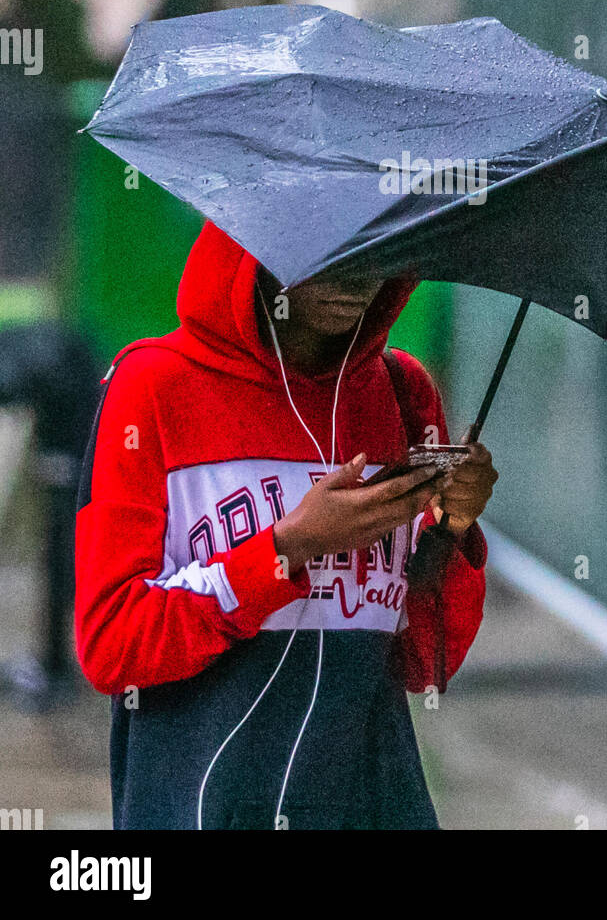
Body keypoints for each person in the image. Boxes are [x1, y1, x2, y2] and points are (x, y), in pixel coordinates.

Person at [74, 221, 497, 830]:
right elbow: (111, 643)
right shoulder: (154, 388)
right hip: (203, 806)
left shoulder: (402, 391)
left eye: (379, 245)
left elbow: (423, 664)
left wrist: (452, 530)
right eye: (328, 241)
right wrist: (288, 549)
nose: (356, 273)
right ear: (255, 233)